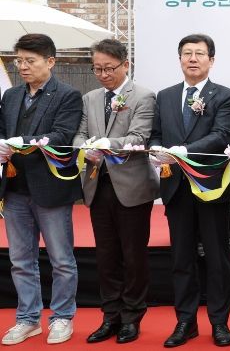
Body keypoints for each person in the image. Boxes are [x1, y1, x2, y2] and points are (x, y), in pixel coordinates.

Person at [149, 34, 230, 347]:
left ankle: (219, 322)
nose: (193, 59)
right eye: (187, 53)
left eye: (199, 53)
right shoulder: (165, 96)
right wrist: (156, 150)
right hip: (176, 187)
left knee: (217, 258)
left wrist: (184, 151)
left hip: (211, 186)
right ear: (179, 59)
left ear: (211, 60)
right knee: (181, 258)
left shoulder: (224, 95)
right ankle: (185, 321)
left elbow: (222, 135)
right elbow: (155, 134)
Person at [72, 39, 159, 344]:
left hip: (132, 187)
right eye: (97, 69)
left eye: (109, 68)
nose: (103, 75)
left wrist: (107, 144)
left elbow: (139, 137)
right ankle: (110, 315)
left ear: (126, 65)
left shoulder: (144, 96)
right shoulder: (90, 98)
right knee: (106, 255)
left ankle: (132, 317)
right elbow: (79, 134)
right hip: (98, 185)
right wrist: (85, 148)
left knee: (133, 256)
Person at [0, 34, 83, 345]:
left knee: (61, 259)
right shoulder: (11, 96)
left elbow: (62, 135)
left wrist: (20, 143)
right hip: (14, 188)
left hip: (51, 187)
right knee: (20, 259)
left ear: (50, 61)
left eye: (29, 61)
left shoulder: (67, 95)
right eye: (18, 60)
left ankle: (62, 316)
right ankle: (28, 318)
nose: (22, 66)